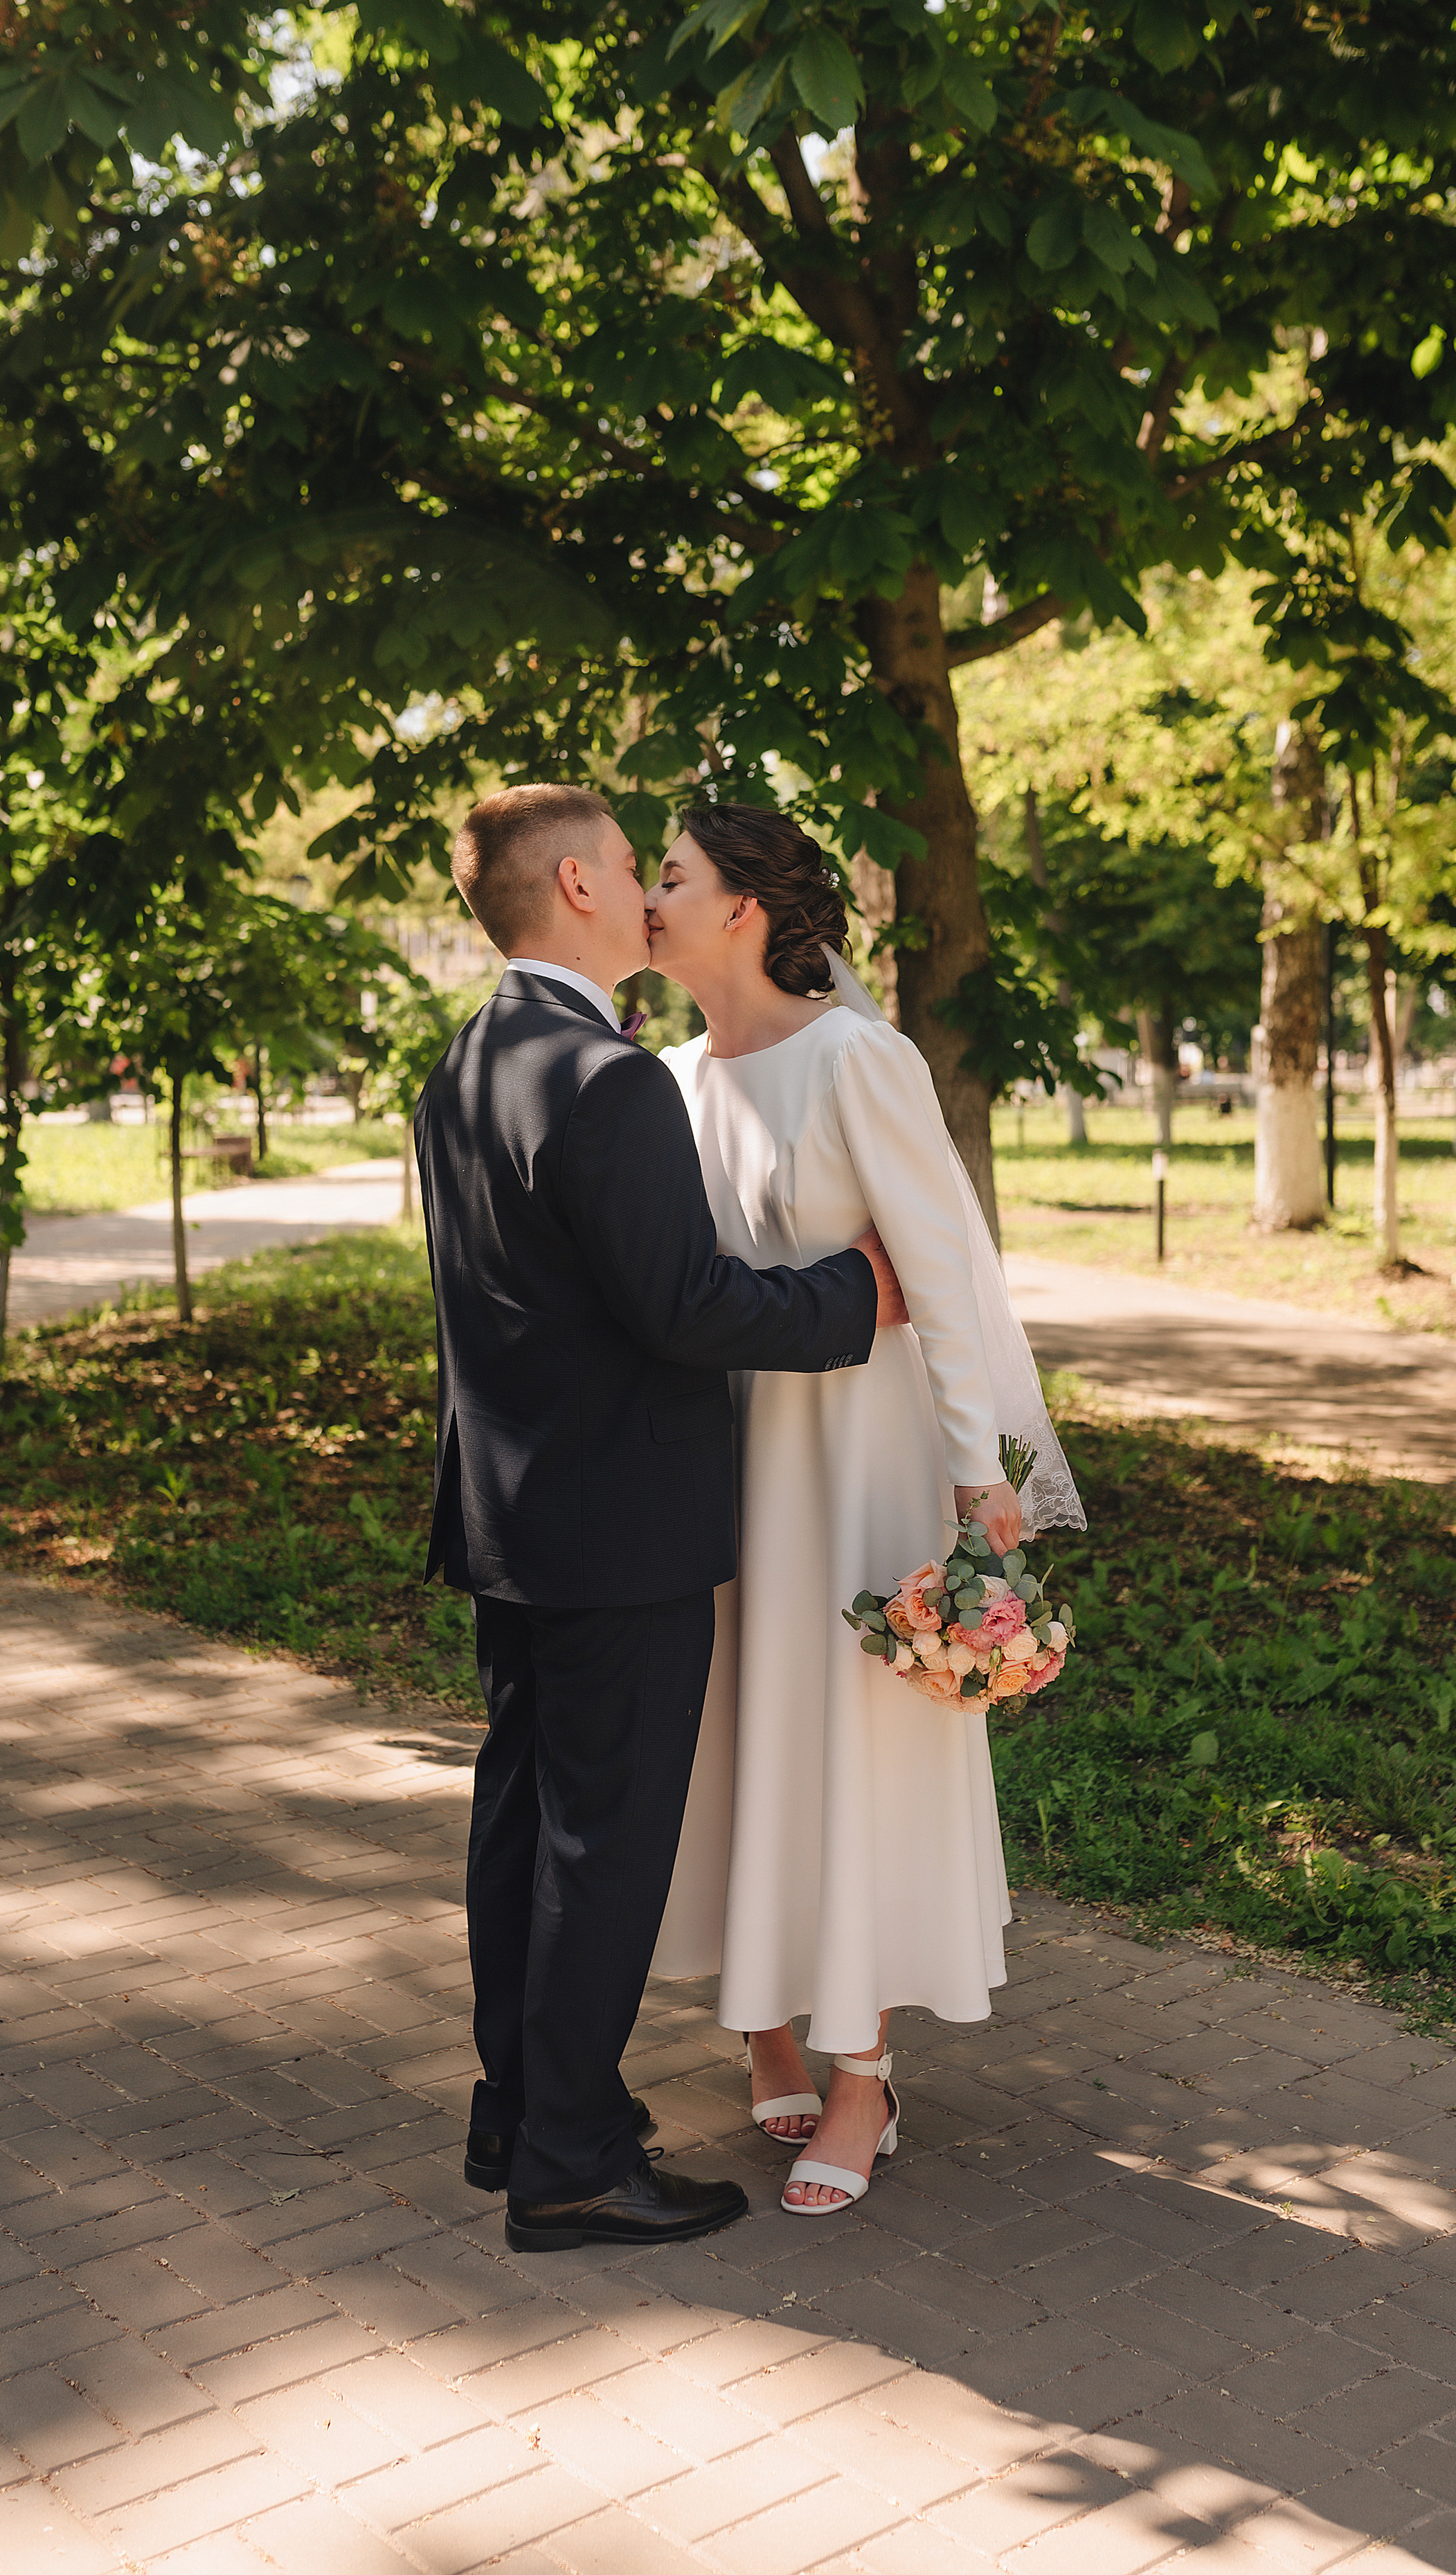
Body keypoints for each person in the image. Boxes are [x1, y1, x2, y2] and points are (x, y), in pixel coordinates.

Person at [413, 783, 909, 2254]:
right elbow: (685, 1306)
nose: (646, 889)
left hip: (509, 1516)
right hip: (618, 1527)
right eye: (631, 866)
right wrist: (852, 1298)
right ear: (573, 884)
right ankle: (567, 2159)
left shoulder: (469, 1061)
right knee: (599, 1844)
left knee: (519, 1824)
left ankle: (519, 2102)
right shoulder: (604, 1074)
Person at [647, 805, 1085, 2217]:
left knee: (851, 1742)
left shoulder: (859, 1059)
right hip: (718, 1465)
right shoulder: (660, 1081)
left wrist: (978, 1477)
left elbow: (941, 1279)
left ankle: (859, 2072)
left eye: (670, 874)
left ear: (744, 908)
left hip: (854, 1464)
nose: (648, 897)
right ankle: (761, 2019)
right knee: (732, 1729)